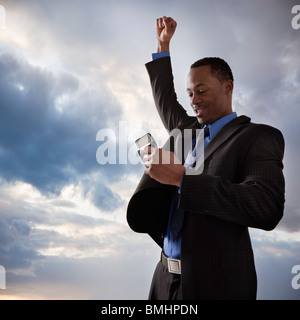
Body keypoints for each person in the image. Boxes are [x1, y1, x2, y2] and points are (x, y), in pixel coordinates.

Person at [127, 16, 285, 300]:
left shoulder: (258, 137)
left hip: (217, 285)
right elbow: (165, 97)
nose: (194, 100)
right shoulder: (186, 131)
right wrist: (162, 45)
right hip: (164, 280)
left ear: (228, 87)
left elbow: (266, 206)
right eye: (190, 93)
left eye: (202, 91)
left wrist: (181, 179)